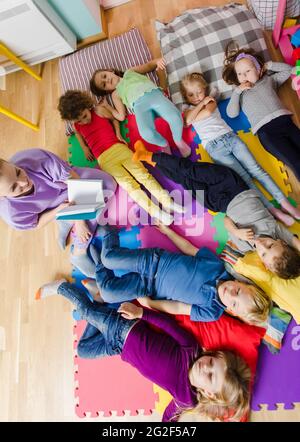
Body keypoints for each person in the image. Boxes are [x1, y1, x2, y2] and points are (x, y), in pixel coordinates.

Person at [35, 278, 251, 422]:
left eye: (211, 376)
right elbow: (169, 325)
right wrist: (141, 313)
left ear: (209, 393)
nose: (206, 367)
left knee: (83, 350)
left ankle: (101, 301)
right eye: (212, 362)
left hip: (119, 349)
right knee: (84, 310)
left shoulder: (187, 399)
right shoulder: (191, 349)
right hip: (125, 328)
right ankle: (62, 287)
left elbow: (170, 415)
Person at [132, 144, 300, 279]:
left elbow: (226, 220)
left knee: (185, 181)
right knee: (190, 170)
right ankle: (148, 155)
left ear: (263, 263)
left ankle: (154, 162)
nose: (263, 244)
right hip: (232, 185)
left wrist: (236, 231)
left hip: (217, 204)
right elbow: (296, 243)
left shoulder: (244, 244)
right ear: (281, 242)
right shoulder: (276, 231)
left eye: (263, 253)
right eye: (270, 245)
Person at [179, 71, 300, 226]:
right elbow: (188, 120)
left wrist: (203, 105)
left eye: (199, 92)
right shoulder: (188, 109)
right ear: (185, 96)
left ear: (205, 89)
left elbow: (208, 112)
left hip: (231, 138)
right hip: (214, 148)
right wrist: (201, 104)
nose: (196, 97)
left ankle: (285, 204)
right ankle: (273, 211)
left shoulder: (211, 101)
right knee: (245, 180)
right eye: (191, 95)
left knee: (257, 170)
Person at [89, 226, 271, 325]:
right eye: (238, 291)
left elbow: (177, 307)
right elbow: (188, 249)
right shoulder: (217, 267)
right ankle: (109, 231)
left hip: (148, 287)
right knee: (109, 259)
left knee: (107, 293)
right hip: (153, 261)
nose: (230, 294)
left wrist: (151, 304)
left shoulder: (212, 311)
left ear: (232, 311)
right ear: (242, 283)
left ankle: (96, 262)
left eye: (233, 303)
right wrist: (169, 231)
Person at [58, 91, 185, 225]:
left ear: (86, 106)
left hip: (118, 148)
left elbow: (113, 119)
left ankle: (167, 202)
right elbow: (77, 133)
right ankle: (156, 213)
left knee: (143, 175)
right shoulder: (76, 125)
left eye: (84, 116)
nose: (85, 121)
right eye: (80, 120)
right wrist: (84, 148)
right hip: (103, 159)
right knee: (130, 186)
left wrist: (118, 135)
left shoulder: (99, 111)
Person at [0, 148, 116, 276]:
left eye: (17, 172)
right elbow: (36, 223)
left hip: (69, 184)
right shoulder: (11, 213)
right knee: (92, 214)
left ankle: (67, 221)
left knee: (109, 184)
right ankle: (78, 251)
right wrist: (59, 210)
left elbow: (75, 180)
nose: (23, 181)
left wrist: (79, 220)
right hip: (54, 206)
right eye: (14, 187)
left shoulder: (36, 159)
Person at [223, 42, 300, 182]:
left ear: (259, 70)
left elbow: (289, 70)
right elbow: (231, 113)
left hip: (286, 123)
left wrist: (268, 65)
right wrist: (237, 92)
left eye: (248, 71)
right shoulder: (240, 94)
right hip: (267, 134)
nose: (244, 76)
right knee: (296, 162)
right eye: (240, 74)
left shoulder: (269, 81)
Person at [89, 58, 191, 157]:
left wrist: (157, 62)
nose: (107, 80)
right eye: (104, 84)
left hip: (154, 95)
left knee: (175, 117)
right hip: (140, 107)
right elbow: (121, 116)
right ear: (107, 90)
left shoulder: (130, 72)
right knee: (146, 134)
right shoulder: (115, 94)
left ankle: (178, 141)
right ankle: (163, 144)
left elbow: (148, 66)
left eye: (104, 76)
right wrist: (108, 106)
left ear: (110, 71)